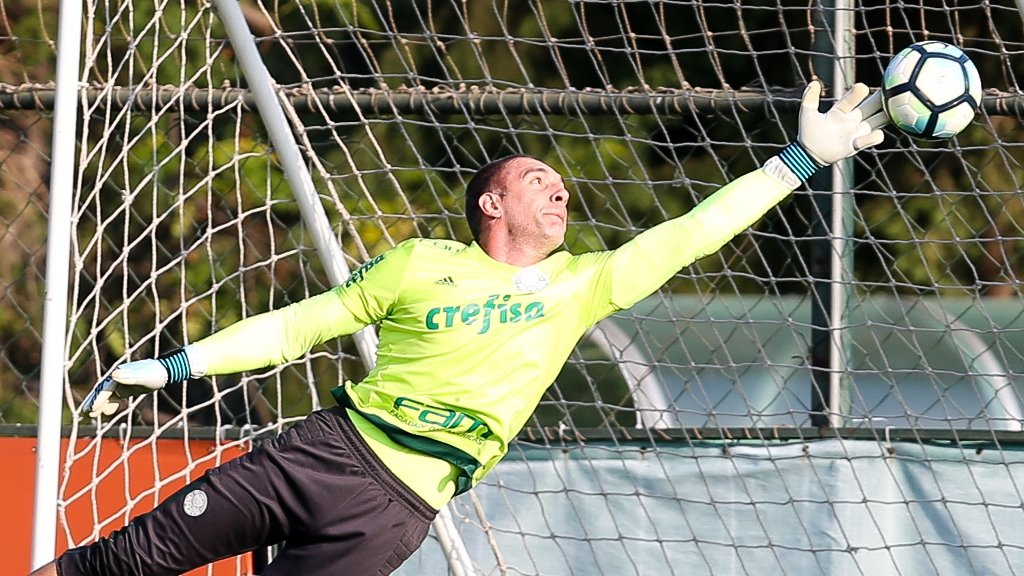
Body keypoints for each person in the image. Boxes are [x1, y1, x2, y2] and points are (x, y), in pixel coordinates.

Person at [32, 80, 886, 576]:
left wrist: (802, 159)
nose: (560, 190)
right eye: (538, 178)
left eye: (562, 184)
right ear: (491, 202)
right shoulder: (417, 263)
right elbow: (302, 325)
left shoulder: (583, 285)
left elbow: (693, 230)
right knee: (121, 563)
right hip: (322, 454)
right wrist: (178, 367)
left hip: (397, 507)